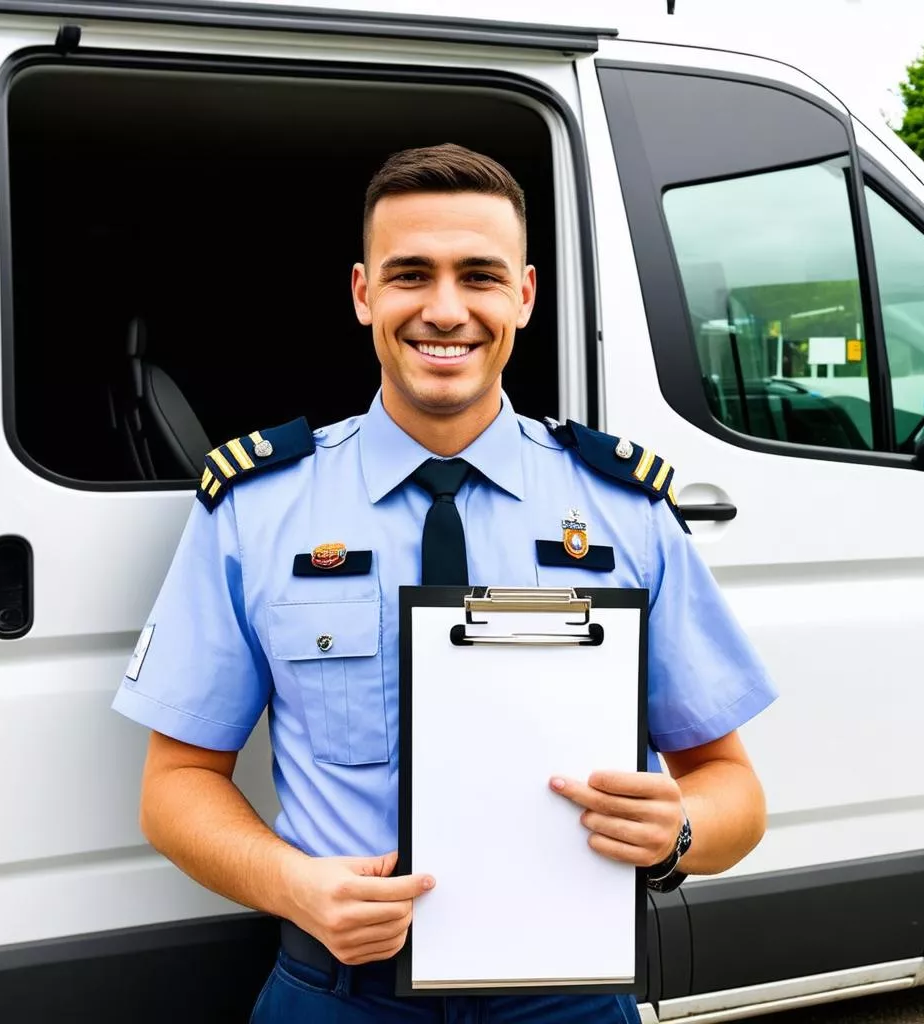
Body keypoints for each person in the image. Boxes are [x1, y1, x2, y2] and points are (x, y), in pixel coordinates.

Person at [112, 143, 777, 1023]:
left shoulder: (625, 511)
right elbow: (176, 782)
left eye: (481, 276)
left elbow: (731, 784)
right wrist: (293, 884)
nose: (446, 310)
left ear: (526, 296)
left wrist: (677, 832)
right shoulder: (257, 510)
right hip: (340, 995)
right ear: (362, 294)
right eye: (410, 275)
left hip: (567, 997)